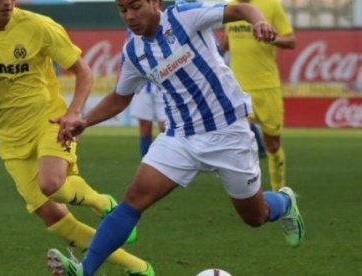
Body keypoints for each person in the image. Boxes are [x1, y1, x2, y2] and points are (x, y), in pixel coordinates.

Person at [49, 0, 305, 275]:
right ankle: (84, 269)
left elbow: (239, 9)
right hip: (180, 137)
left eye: (136, 7)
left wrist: (259, 22)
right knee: (133, 200)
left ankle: (285, 202)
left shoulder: (186, 16)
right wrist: (84, 122)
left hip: (228, 132)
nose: (130, 16)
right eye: (123, 10)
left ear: (154, 3)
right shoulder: (134, 51)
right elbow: (119, 98)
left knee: (255, 216)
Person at [0, 0, 153, 275]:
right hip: (10, 136)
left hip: (49, 119)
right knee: (54, 217)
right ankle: (139, 268)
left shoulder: (40, 26)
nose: (8, 4)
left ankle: (100, 202)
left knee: (52, 183)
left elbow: (84, 72)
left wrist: (73, 112)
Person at [220, 0, 296, 191]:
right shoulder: (230, 8)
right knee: (239, 141)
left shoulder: (271, 5)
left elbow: (291, 41)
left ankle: (281, 190)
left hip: (267, 86)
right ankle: (250, 192)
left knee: (272, 145)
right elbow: (226, 43)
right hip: (239, 88)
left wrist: (272, 38)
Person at [131, 81, 166, 157]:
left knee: (166, 127)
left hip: (162, 83)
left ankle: (167, 159)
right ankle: (146, 159)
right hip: (142, 85)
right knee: (145, 126)